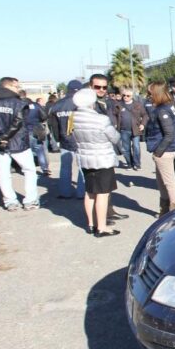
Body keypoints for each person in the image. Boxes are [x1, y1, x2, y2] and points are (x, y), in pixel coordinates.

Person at [0, 77, 40, 210]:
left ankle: (10, 201)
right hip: (17, 143)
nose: (18, 88)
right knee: (29, 170)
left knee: (3, 172)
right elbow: (18, 122)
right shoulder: (17, 103)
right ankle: (30, 201)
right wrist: (4, 137)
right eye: (16, 86)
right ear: (8, 86)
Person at [72, 87, 120, 236]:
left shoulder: (73, 117)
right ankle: (102, 227)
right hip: (102, 159)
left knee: (90, 192)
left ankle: (91, 224)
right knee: (103, 193)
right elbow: (115, 138)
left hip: (85, 158)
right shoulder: (101, 119)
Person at [88, 74, 128, 222]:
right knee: (95, 189)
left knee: (107, 186)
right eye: (98, 87)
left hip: (107, 148)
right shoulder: (87, 105)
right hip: (93, 150)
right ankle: (98, 220)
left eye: (104, 87)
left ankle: (108, 211)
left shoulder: (108, 103)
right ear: (91, 87)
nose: (101, 90)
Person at [145, 81, 175, 215]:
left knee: (169, 183)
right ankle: (165, 210)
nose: (148, 96)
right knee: (162, 183)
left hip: (164, 150)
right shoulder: (164, 107)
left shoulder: (162, 110)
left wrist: (158, 152)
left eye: (150, 93)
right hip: (164, 149)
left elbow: (169, 134)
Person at [48, 80, 86, 199]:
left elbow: (53, 124)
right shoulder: (81, 104)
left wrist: (58, 139)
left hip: (64, 140)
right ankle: (82, 192)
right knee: (82, 167)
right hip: (81, 139)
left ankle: (65, 192)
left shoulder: (58, 105)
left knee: (65, 167)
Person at [116, 88, 148, 170]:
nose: (125, 97)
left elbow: (145, 115)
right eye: (124, 95)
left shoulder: (138, 105)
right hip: (123, 130)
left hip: (135, 129)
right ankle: (129, 164)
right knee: (126, 149)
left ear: (132, 96)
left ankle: (137, 164)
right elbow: (114, 115)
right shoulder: (118, 105)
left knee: (136, 147)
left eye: (128, 95)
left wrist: (143, 124)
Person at [26, 96, 50, 174]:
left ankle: (29, 169)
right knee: (39, 149)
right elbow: (44, 116)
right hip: (36, 129)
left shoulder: (18, 105)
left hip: (24, 130)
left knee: (26, 151)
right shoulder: (36, 106)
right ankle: (45, 168)